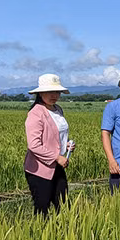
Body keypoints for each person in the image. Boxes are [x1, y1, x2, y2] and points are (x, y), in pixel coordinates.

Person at [24, 74, 75, 215]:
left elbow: (57, 135)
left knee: (63, 205)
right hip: (39, 169)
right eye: (49, 92)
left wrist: (67, 146)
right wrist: (57, 157)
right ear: (40, 93)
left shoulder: (58, 109)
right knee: (42, 208)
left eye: (57, 92)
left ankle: (63, 234)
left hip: (57, 166)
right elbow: (33, 145)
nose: (54, 95)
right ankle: (41, 235)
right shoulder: (35, 113)